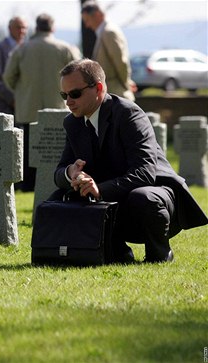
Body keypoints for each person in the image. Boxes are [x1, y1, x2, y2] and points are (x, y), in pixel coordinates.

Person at [50, 59, 207, 263]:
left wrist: (100, 190)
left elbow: (145, 172)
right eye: (64, 95)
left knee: (143, 197)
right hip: (112, 198)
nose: (68, 101)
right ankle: (114, 252)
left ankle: (160, 254)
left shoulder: (128, 114)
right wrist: (72, 172)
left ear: (98, 88)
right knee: (58, 196)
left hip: (154, 195)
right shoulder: (73, 122)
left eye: (75, 94)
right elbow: (59, 172)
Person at [3, 14, 80, 192]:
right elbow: (79, 73)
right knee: (57, 148)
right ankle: (58, 179)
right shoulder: (65, 48)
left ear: (36, 28)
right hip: (58, 107)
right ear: (52, 28)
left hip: (29, 107)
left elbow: (8, 76)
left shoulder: (22, 49)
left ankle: (28, 183)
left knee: (29, 148)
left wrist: (21, 92)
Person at [81, 0, 135, 100]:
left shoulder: (109, 32)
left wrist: (126, 84)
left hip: (117, 94)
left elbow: (120, 62)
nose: (87, 25)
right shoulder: (104, 32)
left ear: (97, 14)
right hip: (113, 93)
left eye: (87, 20)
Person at [0, 16, 28, 114]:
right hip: (1, 108)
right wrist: (13, 100)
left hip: (23, 108)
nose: (22, 31)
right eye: (18, 27)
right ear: (9, 29)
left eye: (24, 28)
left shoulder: (28, 49)